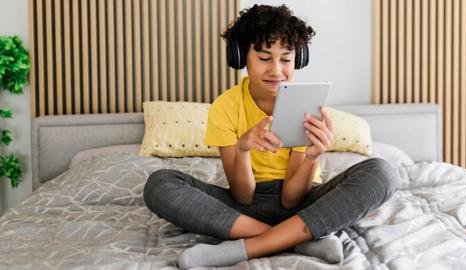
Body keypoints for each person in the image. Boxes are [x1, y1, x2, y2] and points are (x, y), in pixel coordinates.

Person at [143, 4, 399, 269]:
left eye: (286, 59)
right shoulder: (226, 106)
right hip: (244, 208)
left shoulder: (304, 103)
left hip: (303, 205)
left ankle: (251, 245)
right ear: (242, 57)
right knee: (159, 184)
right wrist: (242, 151)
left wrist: (312, 157)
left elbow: (291, 199)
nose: (277, 71)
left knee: (383, 173)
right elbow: (242, 197)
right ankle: (297, 240)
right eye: (265, 58)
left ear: (297, 59)